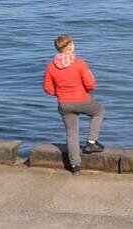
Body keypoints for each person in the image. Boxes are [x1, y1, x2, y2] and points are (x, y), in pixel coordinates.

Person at [42, 34, 105, 176]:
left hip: (64, 103)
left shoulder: (51, 66)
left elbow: (47, 88)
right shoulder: (79, 63)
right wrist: (84, 91)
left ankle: (75, 165)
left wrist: (60, 93)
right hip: (82, 99)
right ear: (70, 46)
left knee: (71, 133)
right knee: (99, 111)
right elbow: (91, 84)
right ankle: (91, 142)